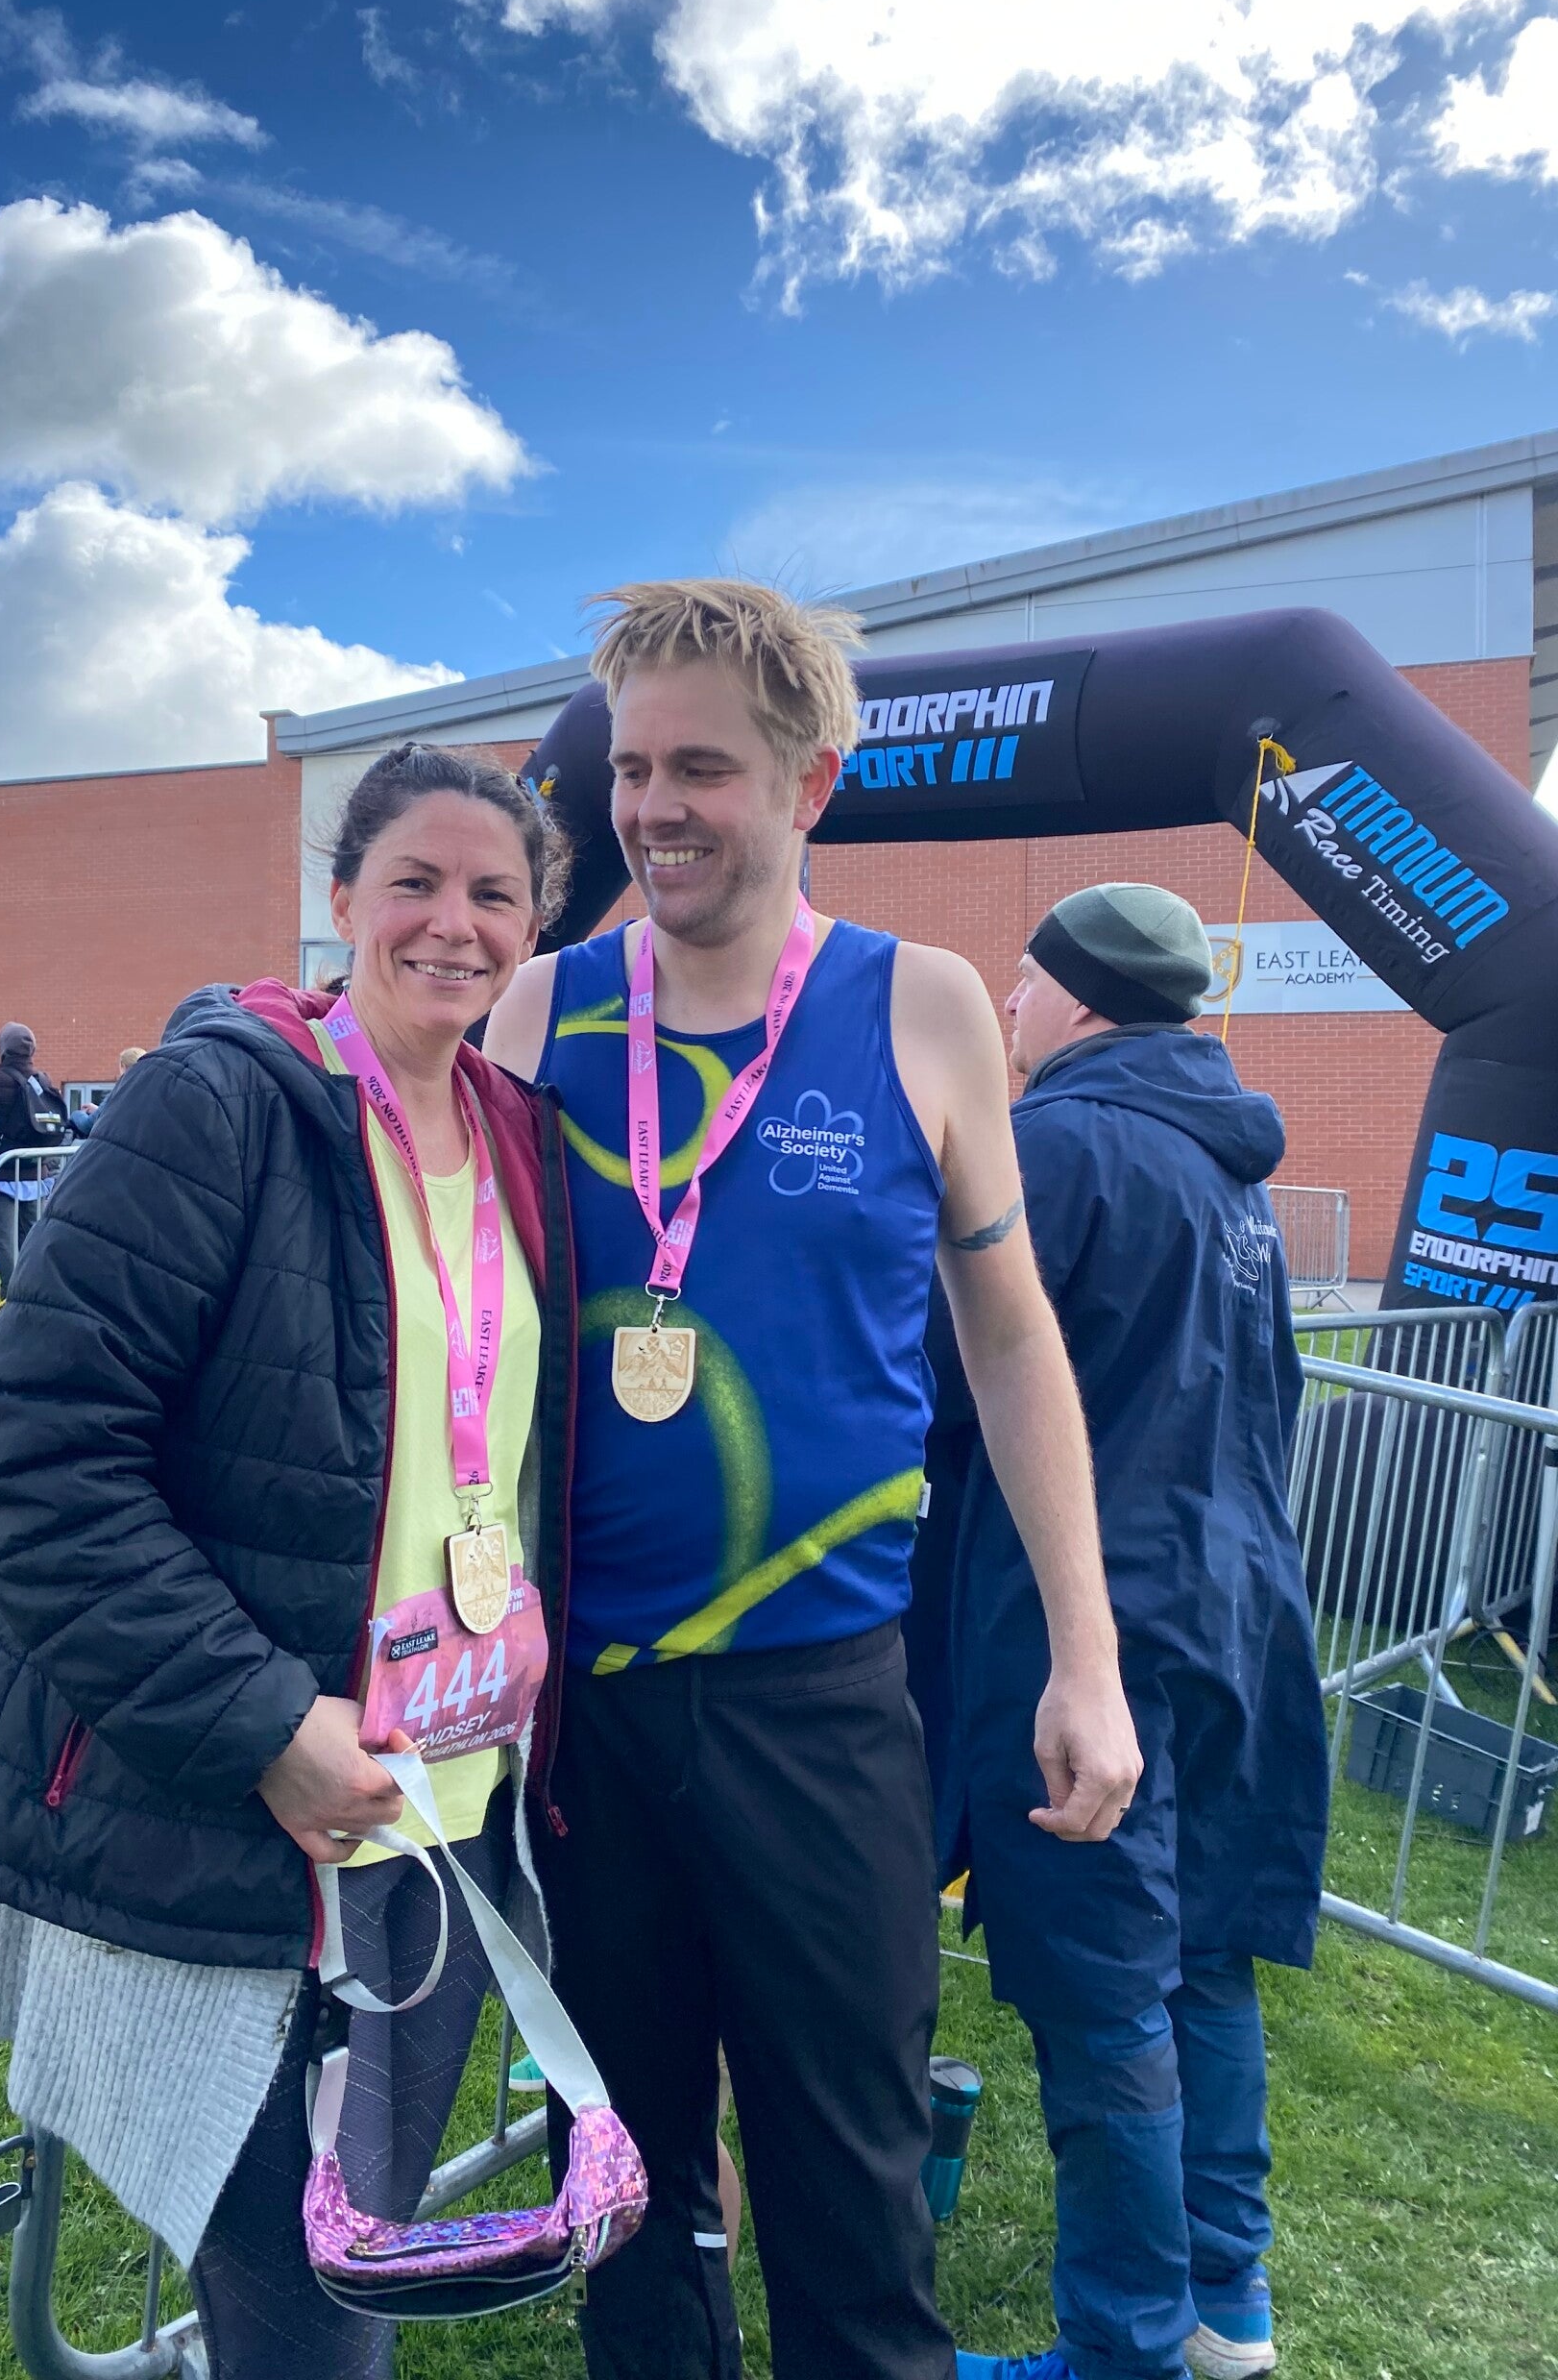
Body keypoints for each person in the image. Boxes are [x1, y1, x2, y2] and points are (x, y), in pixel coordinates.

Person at [485, 579, 1142, 2380]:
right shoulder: (540, 1015)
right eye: (633, 770)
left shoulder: (921, 1008)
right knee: (627, 2203)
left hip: (823, 1708)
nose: (654, 808)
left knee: (852, 2202)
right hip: (586, 1710)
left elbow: (1011, 1340)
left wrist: (1085, 1658)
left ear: (810, 785)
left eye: (701, 768)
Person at [0, 745, 576, 2380]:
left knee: (350, 2261)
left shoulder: (520, 1136)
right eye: (413, 881)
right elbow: (37, 1463)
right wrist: (265, 1728)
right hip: (252, 1819)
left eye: (494, 894)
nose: (453, 923)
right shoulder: (220, 1103)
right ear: (342, 896)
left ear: (535, 926)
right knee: (308, 2313)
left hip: (447, 1812)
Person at [908, 886, 1330, 2380]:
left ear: (1080, 996)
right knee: (1202, 1958)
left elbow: (945, 1375)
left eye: (1024, 980)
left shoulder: (1058, 1145)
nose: (1009, 1006)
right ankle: (1228, 2306)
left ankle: (1125, 2348)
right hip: (1235, 1609)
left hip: (1095, 1625)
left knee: (1101, 1992)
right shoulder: (1229, 1167)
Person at [0, 1021, 70, 1291]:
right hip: (37, 1172)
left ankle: (10, 1295)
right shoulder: (43, 1079)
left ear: (4, 1049)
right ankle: (34, 1290)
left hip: (3, 1173)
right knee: (32, 1236)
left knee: (5, 1240)